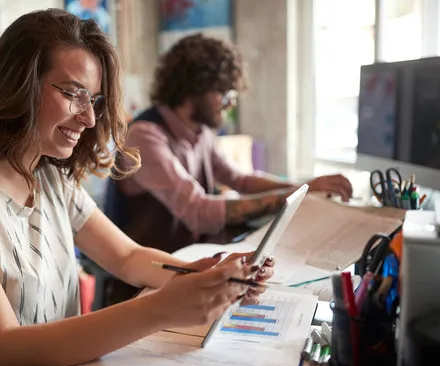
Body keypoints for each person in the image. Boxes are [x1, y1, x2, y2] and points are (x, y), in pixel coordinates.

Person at [0, 10, 275, 366]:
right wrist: (163, 308)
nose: (90, 117)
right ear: (18, 83)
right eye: (73, 93)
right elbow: (3, 352)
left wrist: (201, 275)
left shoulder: (49, 176)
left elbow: (128, 257)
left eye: (93, 100)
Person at [111, 33, 354, 253]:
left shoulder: (200, 133)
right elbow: (198, 212)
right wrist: (294, 196)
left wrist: (305, 187)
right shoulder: (144, 136)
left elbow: (241, 180)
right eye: (225, 93)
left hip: (186, 261)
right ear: (195, 89)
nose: (231, 103)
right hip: (142, 281)